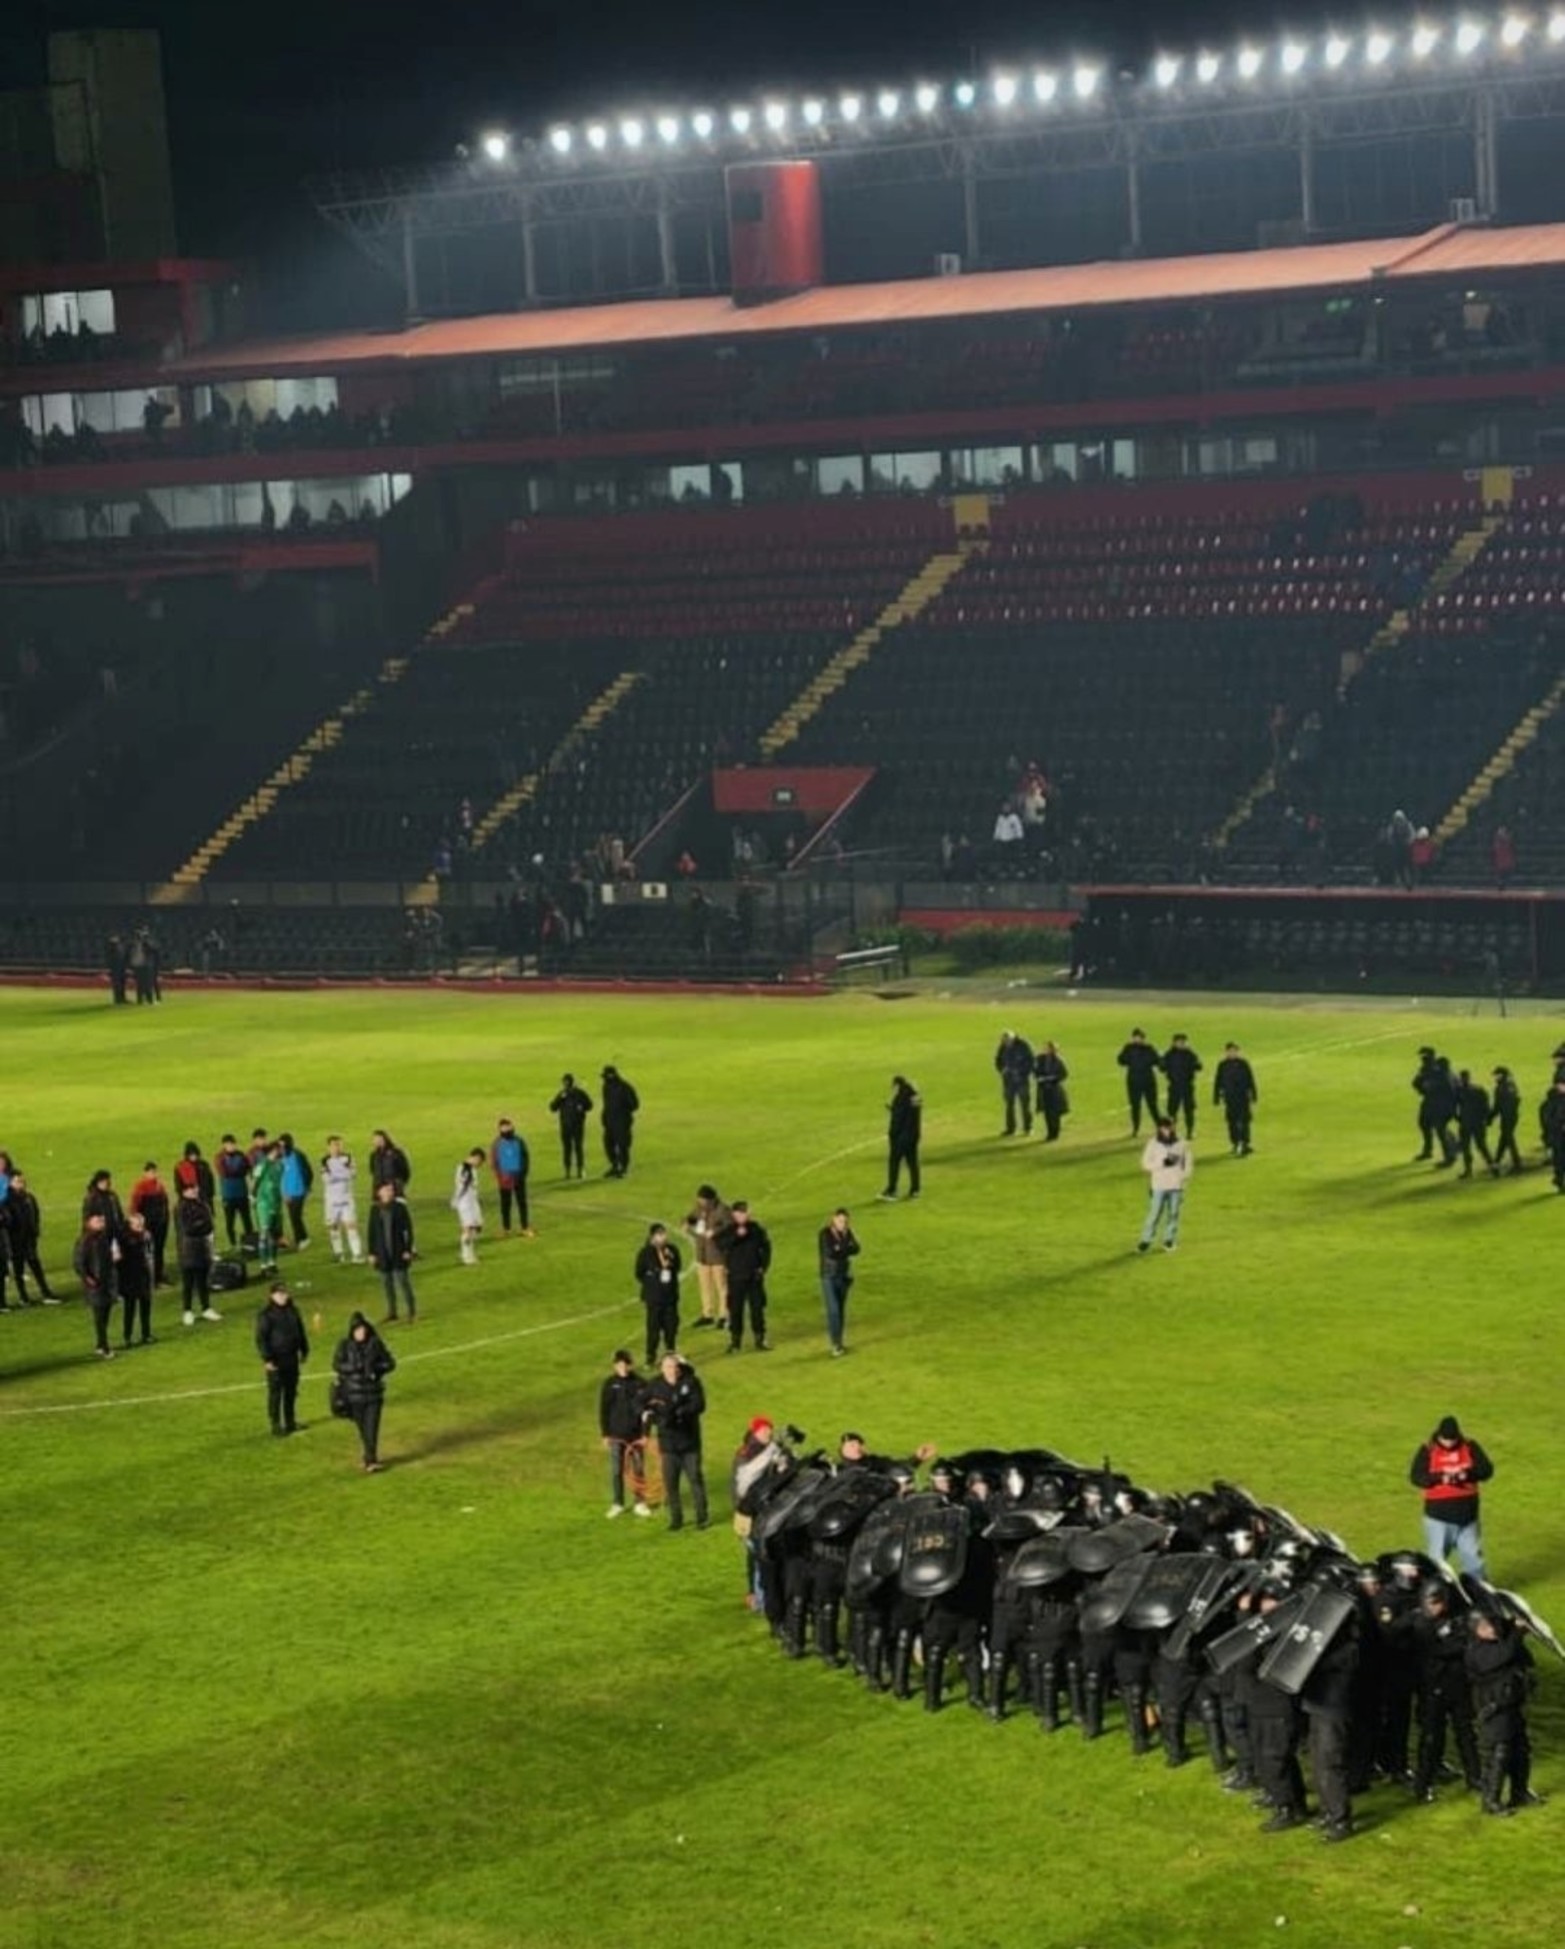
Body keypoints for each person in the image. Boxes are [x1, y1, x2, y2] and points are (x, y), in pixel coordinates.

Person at [1466, 1608, 1543, 1817]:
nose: (1490, 1629)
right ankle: (1490, 1801)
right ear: (1475, 1630)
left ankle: (1519, 1793)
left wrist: (1514, 1625)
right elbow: (1502, 1656)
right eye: (1484, 1627)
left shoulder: (1499, 1641)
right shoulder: (1477, 1650)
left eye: (1491, 1625)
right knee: (1499, 1754)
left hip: (1510, 1705)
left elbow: (1521, 1657)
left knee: (1520, 1750)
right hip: (1494, 1709)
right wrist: (1517, 1633)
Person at [1410, 1414, 1493, 1577]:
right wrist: (1440, 1477)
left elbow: (1487, 1470)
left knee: (1475, 1562)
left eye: (1452, 1440)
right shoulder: (1428, 1449)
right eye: (1445, 1440)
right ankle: (1434, 1596)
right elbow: (1416, 1477)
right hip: (1439, 1519)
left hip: (1468, 1519)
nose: (1449, 1443)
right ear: (1439, 1435)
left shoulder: (1470, 1446)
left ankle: (1477, 1594)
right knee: (1437, 1564)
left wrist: (1467, 1475)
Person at [640, 1352, 708, 1531]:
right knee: (671, 1484)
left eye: (673, 1366)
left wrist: (677, 1412)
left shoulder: (691, 1382)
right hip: (668, 1445)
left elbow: (699, 1405)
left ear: (678, 1368)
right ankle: (676, 1519)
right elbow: (641, 1404)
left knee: (695, 1481)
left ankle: (702, 1517)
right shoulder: (654, 1386)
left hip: (689, 1443)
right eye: (667, 1367)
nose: (671, 1370)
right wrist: (648, 1424)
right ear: (662, 1368)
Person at [333, 1311, 396, 1472]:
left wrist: (375, 1369)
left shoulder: (375, 1344)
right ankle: (368, 1457)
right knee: (363, 1429)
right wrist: (354, 1368)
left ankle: (371, 1460)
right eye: (357, 1330)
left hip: (373, 1394)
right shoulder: (344, 1345)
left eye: (362, 1329)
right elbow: (337, 1365)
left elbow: (390, 1363)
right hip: (354, 1396)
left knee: (372, 1428)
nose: (360, 1333)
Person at [599, 1349, 651, 1518]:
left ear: (630, 1365)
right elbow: (604, 1410)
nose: (622, 1367)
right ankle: (618, 1503)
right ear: (615, 1365)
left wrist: (645, 1434)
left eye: (625, 1364)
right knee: (616, 1470)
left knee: (638, 1470)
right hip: (616, 1435)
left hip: (636, 1435)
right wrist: (605, 1434)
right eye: (619, 1364)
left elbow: (647, 1412)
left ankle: (640, 1502)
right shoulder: (609, 1384)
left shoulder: (641, 1384)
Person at [255, 1281, 310, 1436]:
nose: (283, 1296)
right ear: (272, 1296)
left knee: (291, 1391)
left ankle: (290, 1421)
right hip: (276, 1359)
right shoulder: (266, 1315)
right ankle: (276, 1424)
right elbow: (261, 1339)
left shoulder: (293, 1311)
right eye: (279, 1294)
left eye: (284, 1293)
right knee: (276, 1392)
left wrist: (304, 1349)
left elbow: (300, 1331)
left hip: (291, 1357)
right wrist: (268, 1359)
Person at [719, 1200, 772, 1353]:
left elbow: (766, 1248)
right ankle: (735, 1342)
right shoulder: (729, 1230)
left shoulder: (757, 1229)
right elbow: (720, 1244)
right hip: (735, 1277)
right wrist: (736, 1236)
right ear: (734, 1214)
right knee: (735, 1310)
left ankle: (760, 1339)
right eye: (741, 1212)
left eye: (746, 1212)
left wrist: (763, 1267)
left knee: (757, 1309)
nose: (744, 1215)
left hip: (754, 1276)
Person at [1136, 1115, 1192, 1253]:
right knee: (1154, 1214)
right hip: (1159, 1185)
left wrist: (1182, 1178)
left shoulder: (1181, 1143)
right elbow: (1145, 1164)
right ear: (1160, 1128)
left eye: (1170, 1126)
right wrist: (1161, 1164)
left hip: (1175, 1185)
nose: (1168, 1130)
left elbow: (1188, 1164)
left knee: (1173, 1214)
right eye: (1165, 1127)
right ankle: (1146, 1240)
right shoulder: (1153, 1144)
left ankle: (1169, 1240)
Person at [682, 1183, 731, 1331]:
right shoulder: (700, 1209)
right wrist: (687, 1223)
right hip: (702, 1254)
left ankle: (724, 1316)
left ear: (710, 1199)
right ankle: (707, 1314)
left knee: (722, 1287)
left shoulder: (723, 1210)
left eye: (702, 1200)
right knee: (705, 1286)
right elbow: (691, 1218)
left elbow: (729, 1226)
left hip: (718, 1255)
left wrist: (714, 1231)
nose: (700, 1203)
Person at [368, 1179, 417, 1322]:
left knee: (403, 1282)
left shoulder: (400, 1208)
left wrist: (408, 1249)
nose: (390, 1192)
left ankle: (411, 1311)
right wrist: (372, 1252)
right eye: (387, 1189)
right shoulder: (375, 1210)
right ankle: (392, 1311)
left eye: (391, 1190)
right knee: (387, 1284)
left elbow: (408, 1230)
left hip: (398, 1251)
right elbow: (371, 1232)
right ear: (379, 1192)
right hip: (383, 1253)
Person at [636, 1220, 682, 1364]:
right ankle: (650, 1356)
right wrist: (653, 1281)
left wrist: (669, 1264)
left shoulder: (672, 1250)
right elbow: (639, 1273)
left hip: (670, 1296)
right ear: (653, 1236)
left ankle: (671, 1352)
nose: (663, 1237)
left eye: (664, 1234)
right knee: (653, 1328)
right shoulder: (645, 1252)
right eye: (660, 1234)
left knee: (671, 1326)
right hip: (654, 1298)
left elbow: (678, 1266)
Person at [6, 1171, 56, 1302]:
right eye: (18, 1181)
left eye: (23, 1181)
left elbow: (36, 1214)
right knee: (19, 1269)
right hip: (15, 1240)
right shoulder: (6, 1201)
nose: (22, 1184)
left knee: (36, 1266)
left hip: (29, 1239)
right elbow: (8, 1221)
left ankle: (46, 1293)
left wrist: (35, 1230)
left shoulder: (29, 1198)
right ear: (11, 1183)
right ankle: (24, 1297)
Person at [73, 1211, 117, 1358]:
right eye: (98, 1221)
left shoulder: (102, 1238)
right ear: (89, 1223)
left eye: (102, 1221)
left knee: (104, 1317)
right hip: (96, 1286)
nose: (101, 1223)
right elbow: (78, 1263)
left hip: (106, 1283)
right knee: (100, 1318)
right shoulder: (85, 1240)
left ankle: (100, 1344)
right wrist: (88, 1279)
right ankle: (104, 1348)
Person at [176, 1179, 220, 1324]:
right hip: (187, 1249)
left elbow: (210, 1225)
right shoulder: (181, 1207)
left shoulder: (203, 1205)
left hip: (202, 1247)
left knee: (203, 1280)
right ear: (184, 1192)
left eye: (195, 1188)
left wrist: (199, 1224)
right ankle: (187, 1311)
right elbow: (187, 1229)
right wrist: (201, 1224)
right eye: (190, 1189)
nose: (194, 1191)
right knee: (188, 1283)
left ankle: (206, 1308)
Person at [818, 1207, 859, 1357]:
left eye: (845, 1221)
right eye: (841, 1221)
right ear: (834, 1219)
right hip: (828, 1276)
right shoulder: (825, 1233)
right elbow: (830, 1252)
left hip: (843, 1276)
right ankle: (835, 1344)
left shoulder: (847, 1232)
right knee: (833, 1311)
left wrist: (841, 1248)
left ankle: (839, 1342)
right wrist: (845, 1248)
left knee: (840, 1311)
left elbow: (857, 1248)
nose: (843, 1224)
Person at [320, 1134, 365, 1263]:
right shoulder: (324, 1161)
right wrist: (343, 1173)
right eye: (334, 1145)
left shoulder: (348, 1158)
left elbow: (352, 1174)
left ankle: (356, 1254)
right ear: (329, 1147)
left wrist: (337, 1174)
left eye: (339, 1144)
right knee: (333, 1227)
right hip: (331, 1200)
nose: (337, 1147)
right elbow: (326, 1179)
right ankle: (339, 1253)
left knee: (351, 1226)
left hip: (346, 1199)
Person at [127, 1161, 172, 1287]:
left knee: (159, 1250)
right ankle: (151, 1279)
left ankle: (158, 1275)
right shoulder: (140, 1187)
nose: (153, 1174)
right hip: (149, 1225)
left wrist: (166, 1218)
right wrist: (138, 1225)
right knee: (149, 1252)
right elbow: (133, 1207)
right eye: (151, 1172)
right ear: (145, 1173)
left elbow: (165, 1204)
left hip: (160, 1224)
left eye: (154, 1171)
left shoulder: (159, 1186)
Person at [489, 1116, 534, 1236]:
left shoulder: (519, 1141)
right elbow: (494, 1161)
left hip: (518, 1177)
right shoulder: (497, 1144)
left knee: (522, 1203)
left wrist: (523, 1174)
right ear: (500, 1129)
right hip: (504, 1179)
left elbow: (525, 1158)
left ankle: (525, 1227)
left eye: (509, 1127)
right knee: (505, 1204)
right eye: (504, 1128)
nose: (507, 1130)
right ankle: (506, 1228)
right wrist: (499, 1176)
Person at [118, 1210, 156, 1347]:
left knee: (145, 1309)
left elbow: (150, 1256)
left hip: (145, 1277)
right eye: (137, 1224)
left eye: (142, 1224)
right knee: (130, 1310)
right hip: (131, 1279)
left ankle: (146, 1334)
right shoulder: (126, 1239)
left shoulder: (146, 1236)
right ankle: (127, 1337)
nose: (140, 1226)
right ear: (130, 1224)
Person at [1213, 1041, 1258, 1156]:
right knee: (1232, 1121)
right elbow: (1218, 1082)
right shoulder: (1222, 1065)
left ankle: (1245, 1143)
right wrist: (1216, 1097)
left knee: (1245, 1120)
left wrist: (1254, 1094)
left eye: (1234, 1051)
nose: (1232, 1053)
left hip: (1243, 1097)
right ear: (1226, 1052)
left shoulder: (1244, 1064)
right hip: (1230, 1098)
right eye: (1230, 1051)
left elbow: (1250, 1079)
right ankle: (1235, 1142)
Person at [881, 1075, 922, 1201]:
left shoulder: (902, 1096)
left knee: (894, 1162)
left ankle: (892, 1190)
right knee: (912, 1163)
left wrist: (891, 1106)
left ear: (897, 1085)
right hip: (913, 1135)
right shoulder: (914, 1095)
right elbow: (909, 1113)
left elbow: (899, 1117)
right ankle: (915, 1190)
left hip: (902, 1137)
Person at [1454, 1069, 1499, 1179]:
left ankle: (1470, 1170)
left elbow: (1454, 1106)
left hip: (1468, 1122)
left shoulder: (1460, 1091)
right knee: (1479, 1146)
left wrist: (1458, 1117)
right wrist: (1486, 1119)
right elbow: (1486, 1106)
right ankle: (1492, 1168)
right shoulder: (1478, 1090)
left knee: (1471, 1146)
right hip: (1476, 1122)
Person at [1117, 1028, 1161, 1136]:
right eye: (1134, 1037)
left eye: (1139, 1038)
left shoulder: (1149, 1048)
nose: (1136, 1040)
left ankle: (1160, 1127)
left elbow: (1157, 1060)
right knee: (1135, 1106)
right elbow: (1121, 1060)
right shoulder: (1128, 1048)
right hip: (1133, 1081)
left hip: (1148, 1081)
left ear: (1143, 1038)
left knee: (1152, 1105)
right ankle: (1135, 1128)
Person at [549, 1073, 593, 1179]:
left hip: (578, 1125)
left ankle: (580, 1169)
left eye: (567, 1082)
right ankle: (567, 1170)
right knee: (567, 1148)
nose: (565, 1085)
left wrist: (582, 1107)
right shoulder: (562, 1094)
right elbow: (552, 1108)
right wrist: (560, 1098)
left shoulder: (580, 1094)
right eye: (564, 1082)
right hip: (565, 1126)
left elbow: (590, 1105)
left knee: (578, 1147)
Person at [1160, 1033, 1203, 1140]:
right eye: (1178, 1042)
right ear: (1174, 1043)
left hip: (1187, 1086)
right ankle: (1171, 1132)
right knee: (1172, 1111)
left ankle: (1190, 1131)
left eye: (1183, 1042)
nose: (1180, 1044)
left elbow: (1199, 1067)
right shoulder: (1169, 1054)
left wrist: (1195, 1063)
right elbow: (1162, 1068)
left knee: (1189, 1110)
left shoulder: (1190, 1054)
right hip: (1174, 1086)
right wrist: (1162, 1063)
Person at [250, 1140, 283, 1273]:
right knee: (264, 1233)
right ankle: (263, 1265)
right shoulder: (262, 1165)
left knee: (274, 1235)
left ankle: (272, 1262)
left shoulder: (280, 1165)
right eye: (279, 1149)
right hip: (263, 1203)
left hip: (276, 1202)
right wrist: (252, 1197)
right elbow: (254, 1182)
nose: (281, 1152)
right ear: (273, 1150)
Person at [600, 1065, 639, 1178]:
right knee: (608, 1144)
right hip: (610, 1121)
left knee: (623, 1146)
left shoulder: (625, 1087)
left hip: (622, 1121)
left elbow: (635, 1105)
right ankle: (614, 1165)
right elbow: (606, 1104)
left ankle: (623, 1168)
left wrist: (623, 1110)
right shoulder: (606, 1087)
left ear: (612, 1075)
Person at [215, 1134, 252, 1247]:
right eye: (229, 1144)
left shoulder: (241, 1155)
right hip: (228, 1194)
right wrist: (239, 1171)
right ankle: (233, 1243)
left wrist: (238, 1171)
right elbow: (225, 1172)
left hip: (242, 1193)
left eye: (233, 1144)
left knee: (247, 1219)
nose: (231, 1146)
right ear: (224, 1145)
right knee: (230, 1221)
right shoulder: (220, 1157)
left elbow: (247, 1168)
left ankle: (249, 1242)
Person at [994, 1030, 1035, 1136]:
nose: (1006, 1043)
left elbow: (1031, 1061)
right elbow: (998, 1060)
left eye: (1007, 1041)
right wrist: (1002, 1069)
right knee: (1009, 1105)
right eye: (1004, 1041)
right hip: (1008, 1081)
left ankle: (1028, 1128)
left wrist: (1022, 1072)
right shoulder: (1003, 1046)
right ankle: (1010, 1129)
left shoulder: (1023, 1045)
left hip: (1022, 1080)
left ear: (1012, 1038)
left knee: (1025, 1105)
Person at [278, 1133, 313, 1249]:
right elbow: (282, 1176)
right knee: (293, 1217)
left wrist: (307, 1187)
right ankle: (301, 1238)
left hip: (299, 1191)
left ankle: (302, 1239)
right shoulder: (280, 1157)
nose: (282, 1148)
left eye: (283, 1145)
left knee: (295, 1216)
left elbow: (308, 1171)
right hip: (288, 1193)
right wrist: (284, 1192)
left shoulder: (298, 1155)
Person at [452, 1147, 486, 1265]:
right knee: (468, 1229)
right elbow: (463, 1187)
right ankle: (467, 1256)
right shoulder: (465, 1169)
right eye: (480, 1162)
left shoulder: (469, 1168)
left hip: (471, 1202)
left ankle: (467, 1252)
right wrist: (456, 1201)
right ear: (476, 1158)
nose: (480, 1165)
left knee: (477, 1227)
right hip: (466, 1204)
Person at [1034, 1040, 1070, 1142]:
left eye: (1049, 1048)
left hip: (1054, 1090)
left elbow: (1064, 1074)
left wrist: (1051, 1079)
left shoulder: (1058, 1060)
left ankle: (1055, 1132)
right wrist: (1040, 1078)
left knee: (1055, 1113)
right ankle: (1049, 1132)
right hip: (1044, 1089)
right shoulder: (1040, 1059)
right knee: (1047, 1113)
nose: (1047, 1050)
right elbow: (1036, 1071)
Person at [369, 1128, 412, 1193]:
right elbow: (373, 1171)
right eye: (374, 1139)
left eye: (376, 1139)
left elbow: (405, 1171)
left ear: (383, 1139)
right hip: (379, 1191)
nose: (374, 1141)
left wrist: (398, 1184)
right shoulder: (374, 1155)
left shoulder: (396, 1153)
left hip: (394, 1189)